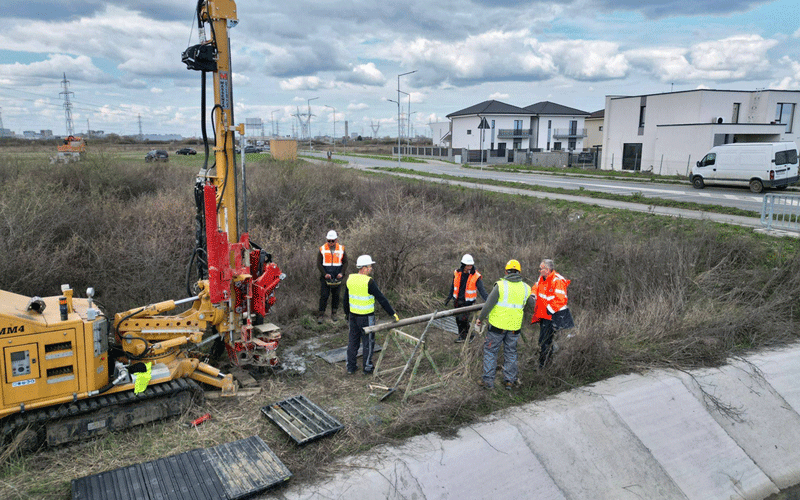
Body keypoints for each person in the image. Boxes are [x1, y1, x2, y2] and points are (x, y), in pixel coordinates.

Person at [475, 259, 534, 389]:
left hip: (497, 327)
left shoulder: (501, 285)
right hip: (514, 327)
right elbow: (532, 305)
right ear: (519, 272)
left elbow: (488, 305)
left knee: (491, 351)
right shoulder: (526, 288)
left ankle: (488, 382)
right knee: (511, 352)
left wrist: (480, 318)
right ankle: (509, 381)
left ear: (506, 271)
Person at [343, 255, 399, 374]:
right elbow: (381, 299)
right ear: (363, 268)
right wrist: (392, 313)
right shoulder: (369, 282)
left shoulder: (350, 279)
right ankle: (367, 368)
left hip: (353, 316)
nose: (371, 268)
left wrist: (347, 314)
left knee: (353, 341)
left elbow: (345, 299)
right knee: (368, 342)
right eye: (369, 266)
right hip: (366, 318)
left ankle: (350, 367)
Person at [531, 259, 570, 368]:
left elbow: (561, 300)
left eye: (541, 269)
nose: (539, 271)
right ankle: (547, 361)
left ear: (547, 270)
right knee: (543, 341)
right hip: (543, 316)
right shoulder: (542, 278)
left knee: (545, 342)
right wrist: (533, 294)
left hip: (552, 317)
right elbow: (535, 287)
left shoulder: (557, 281)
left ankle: (544, 366)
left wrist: (549, 311)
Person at [444, 254, 488, 343]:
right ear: (463, 265)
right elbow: (453, 286)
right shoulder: (457, 273)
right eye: (468, 265)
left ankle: (467, 336)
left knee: (463, 319)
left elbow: (482, 290)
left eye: (471, 265)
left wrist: (488, 300)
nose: (469, 267)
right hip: (457, 300)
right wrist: (449, 297)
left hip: (468, 302)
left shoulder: (475, 276)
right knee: (458, 319)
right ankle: (464, 336)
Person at [317, 230, 347, 323]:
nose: (330, 243)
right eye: (329, 240)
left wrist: (341, 273)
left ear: (336, 240)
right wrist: (324, 274)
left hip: (337, 276)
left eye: (332, 241)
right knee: (324, 295)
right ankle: (321, 315)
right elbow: (319, 263)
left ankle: (334, 313)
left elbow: (345, 262)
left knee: (336, 295)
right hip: (326, 276)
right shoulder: (322, 248)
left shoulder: (341, 248)